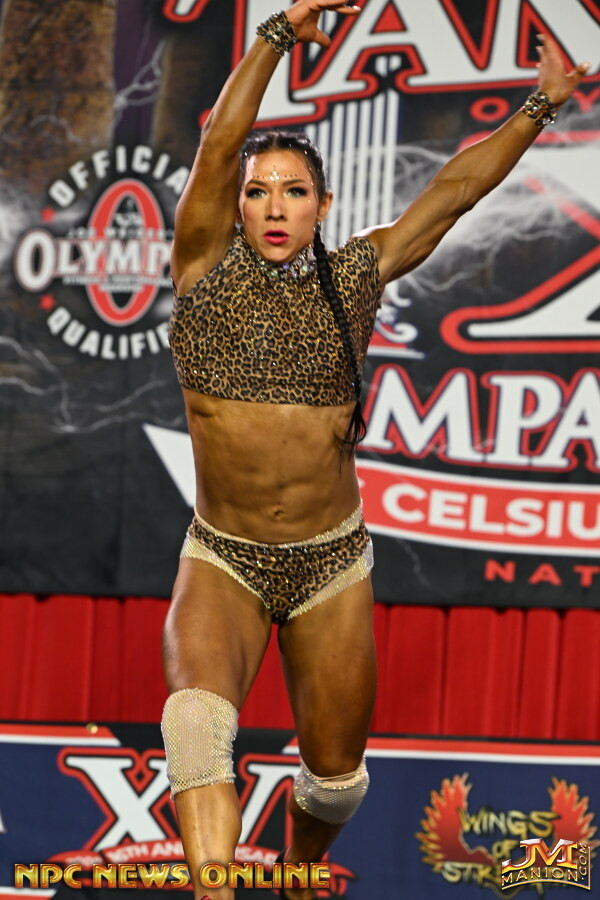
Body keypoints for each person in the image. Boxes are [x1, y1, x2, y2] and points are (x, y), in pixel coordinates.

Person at [161, 3, 589, 898]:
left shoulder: (353, 275)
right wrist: (278, 34)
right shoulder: (202, 270)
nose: (274, 206)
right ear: (235, 205)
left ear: (322, 206)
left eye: (294, 191)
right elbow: (219, 141)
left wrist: (541, 104)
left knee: (334, 782)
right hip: (225, 558)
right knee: (195, 726)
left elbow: (454, 192)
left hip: (329, 563)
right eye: (258, 191)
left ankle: (300, 872)